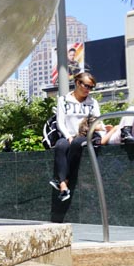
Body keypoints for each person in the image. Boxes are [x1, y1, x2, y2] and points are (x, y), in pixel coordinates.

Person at [49, 72, 105, 202]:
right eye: (86, 86)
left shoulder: (93, 102)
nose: (88, 90)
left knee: (77, 143)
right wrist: (68, 136)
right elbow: (60, 122)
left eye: (91, 87)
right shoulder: (63, 100)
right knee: (60, 145)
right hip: (68, 134)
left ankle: (62, 182)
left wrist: (102, 130)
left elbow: (97, 121)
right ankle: (64, 186)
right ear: (77, 83)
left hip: (86, 135)